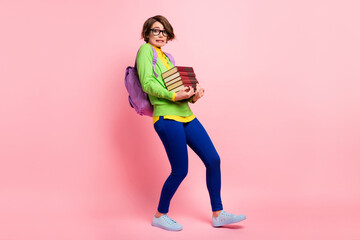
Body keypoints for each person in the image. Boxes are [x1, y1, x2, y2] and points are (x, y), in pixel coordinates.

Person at [136, 15, 246, 231]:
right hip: (167, 117)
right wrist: (173, 96)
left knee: (213, 159)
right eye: (156, 30)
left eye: (164, 31)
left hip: (185, 114)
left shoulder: (167, 57)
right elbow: (148, 83)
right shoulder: (145, 51)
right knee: (180, 170)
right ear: (147, 33)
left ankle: (218, 214)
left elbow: (177, 90)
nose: (160, 35)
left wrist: (192, 95)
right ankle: (160, 215)